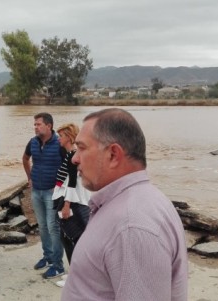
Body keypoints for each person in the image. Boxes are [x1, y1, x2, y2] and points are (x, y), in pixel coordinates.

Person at [61, 108, 188, 301]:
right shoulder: (139, 201)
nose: (75, 158)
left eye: (82, 148)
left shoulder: (132, 226)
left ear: (113, 154)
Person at [22, 112, 65, 279]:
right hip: (36, 190)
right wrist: (29, 178)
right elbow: (25, 159)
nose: (35, 127)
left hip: (52, 192)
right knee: (42, 226)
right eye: (34, 124)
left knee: (53, 227)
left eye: (38, 124)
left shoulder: (60, 143)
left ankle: (58, 265)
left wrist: (60, 187)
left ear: (49, 126)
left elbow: (69, 167)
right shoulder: (33, 142)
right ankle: (47, 257)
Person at [52, 123, 91, 288]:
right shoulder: (70, 154)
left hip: (73, 202)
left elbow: (73, 182)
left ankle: (77, 278)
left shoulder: (73, 156)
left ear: (68, 137)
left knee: (73, 239)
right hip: (68, 200)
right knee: (68, 238)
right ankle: (75, 275)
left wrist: (67, 205)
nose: (59, 139)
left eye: (61, 136)